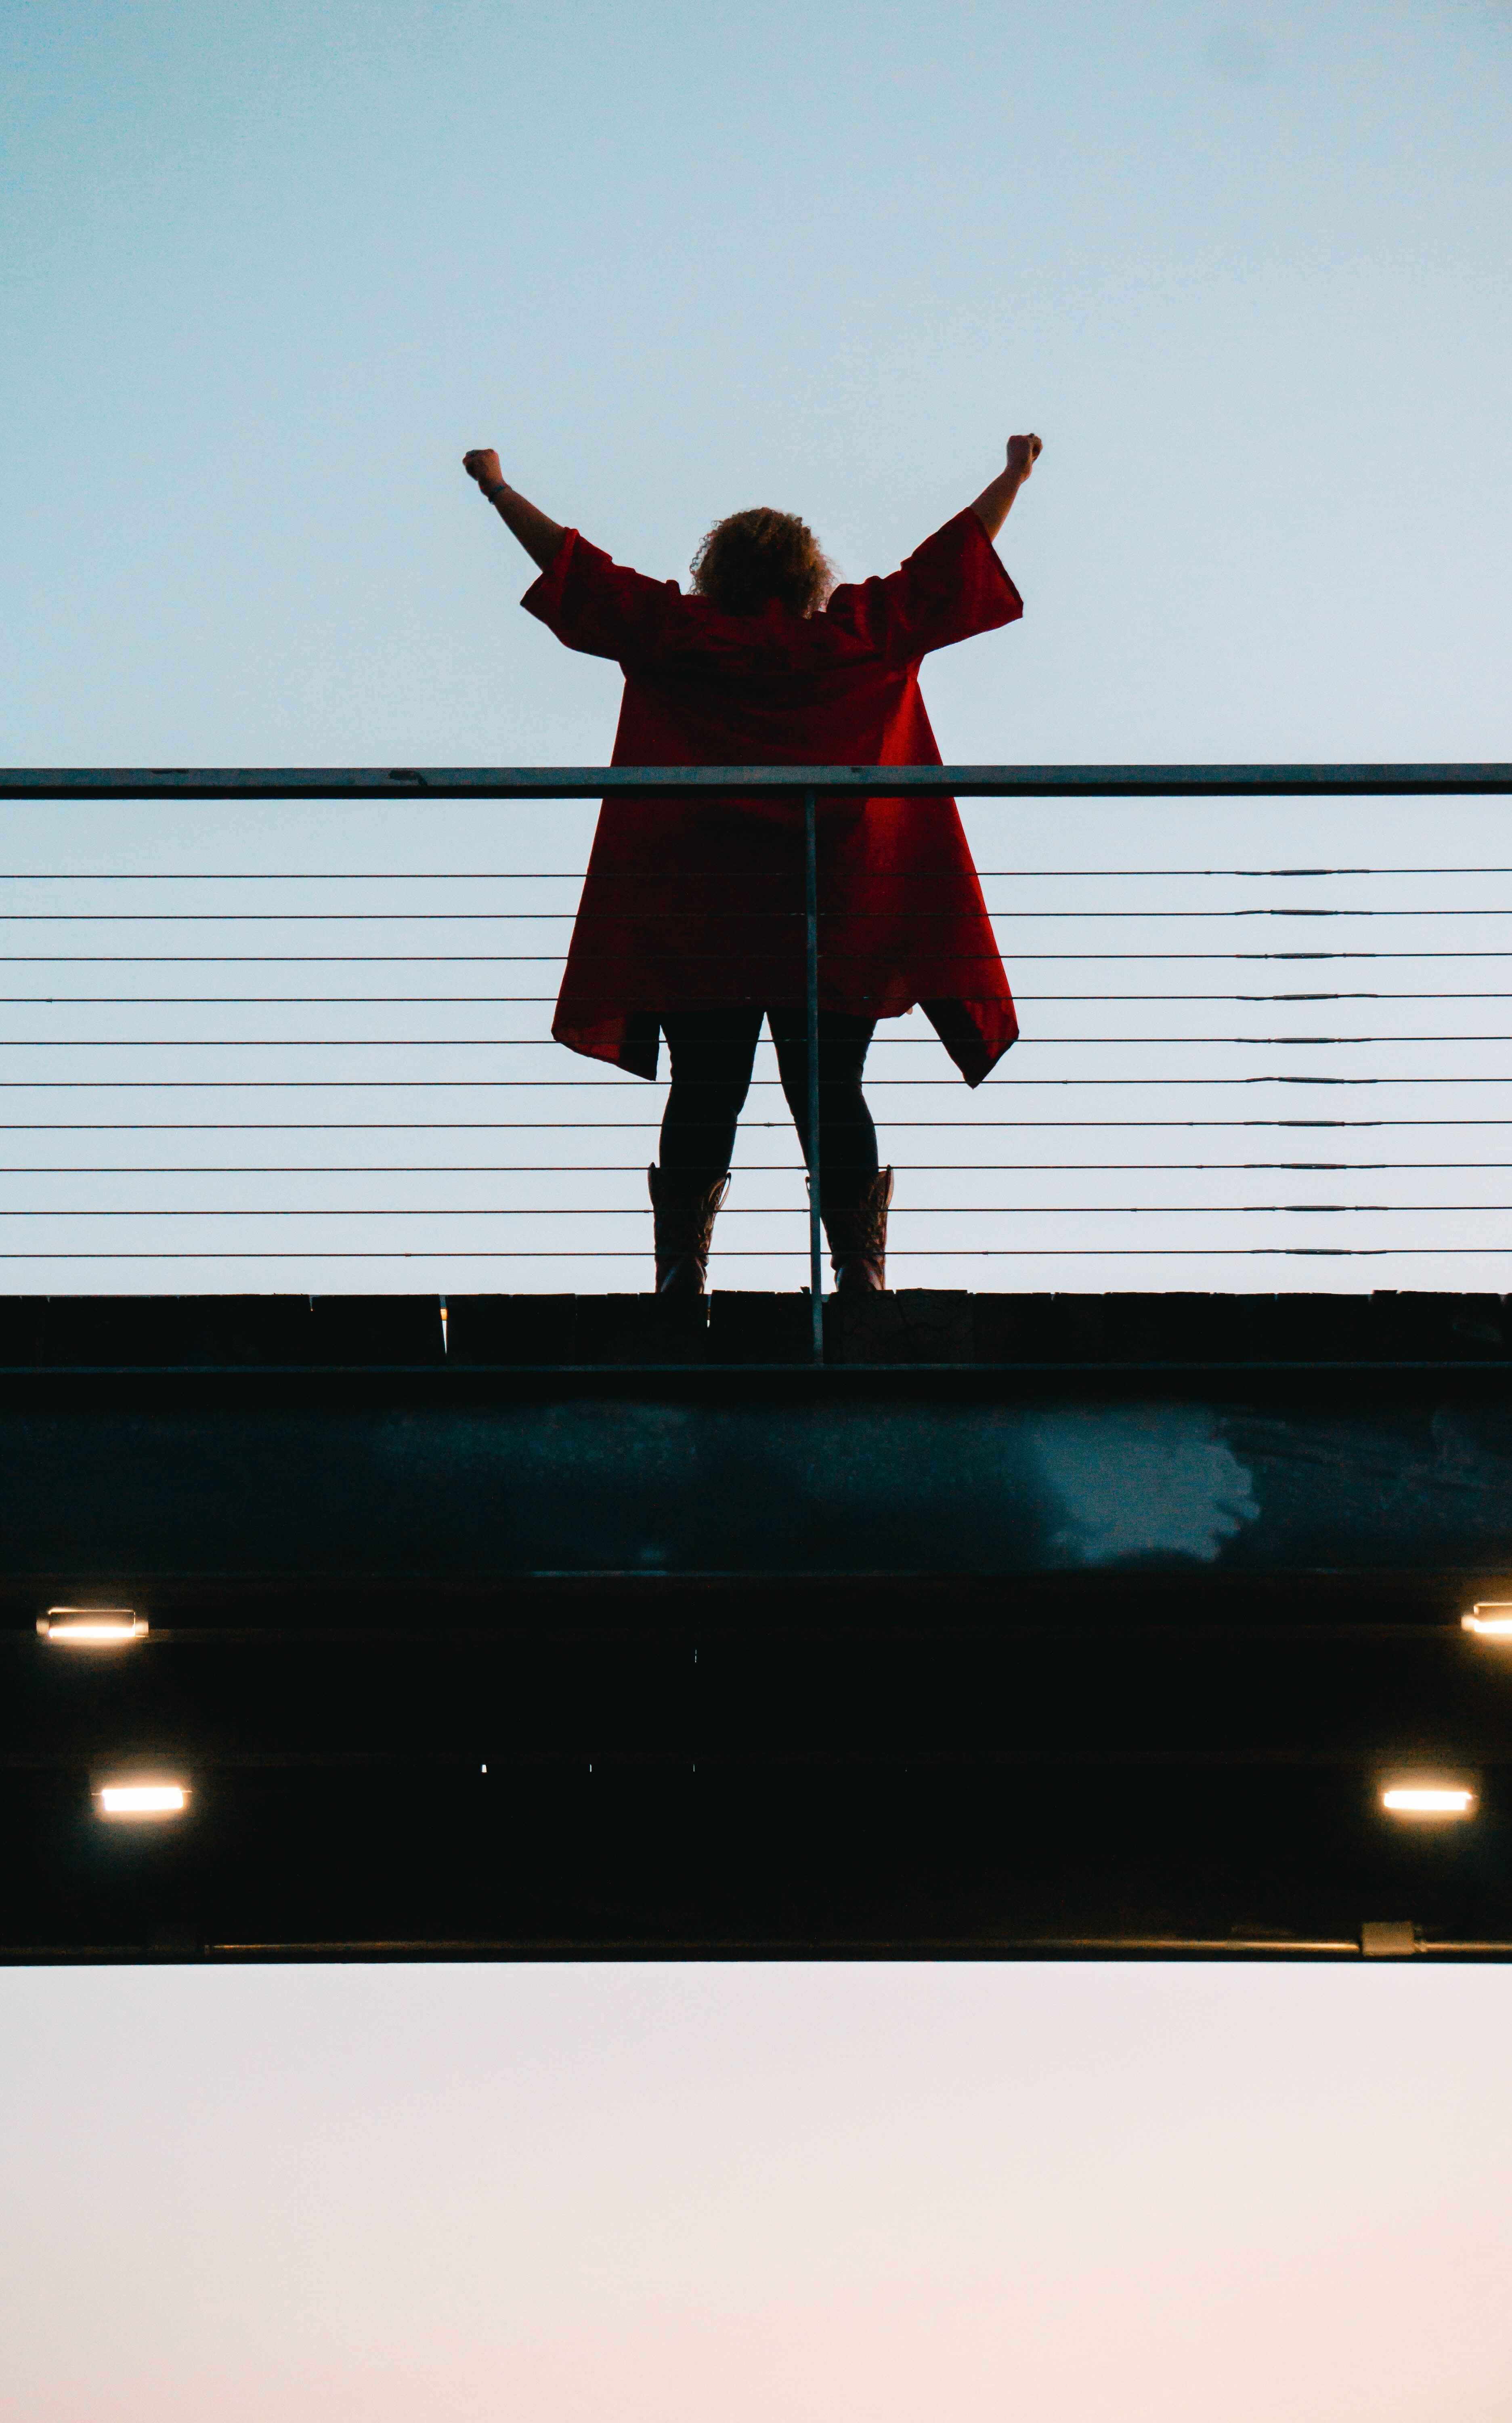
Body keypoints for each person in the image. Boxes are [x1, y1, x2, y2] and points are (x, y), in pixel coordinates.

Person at [462, 433, 1042, 1295]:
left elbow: (577, 569)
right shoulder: (861, 635)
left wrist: (497, 492)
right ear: (808, 574)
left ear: (714, 571)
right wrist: (1013, 477)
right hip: (838, 905)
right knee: (829, 1088)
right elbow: (952, 562)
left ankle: (679, 1276)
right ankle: (858, 1275)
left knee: (704, 1087)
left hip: (702, 911)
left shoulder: (674, 636)